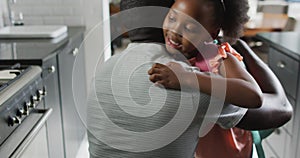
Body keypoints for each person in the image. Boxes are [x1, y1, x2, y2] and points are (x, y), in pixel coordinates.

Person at [145, 0, 292, 157]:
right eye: (172, 19)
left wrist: (186, 78)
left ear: (211, 34)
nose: (175, 31)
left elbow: (253, 94)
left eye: (190, 28)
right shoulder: (170, 54)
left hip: (230, 152)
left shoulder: (219, 58)